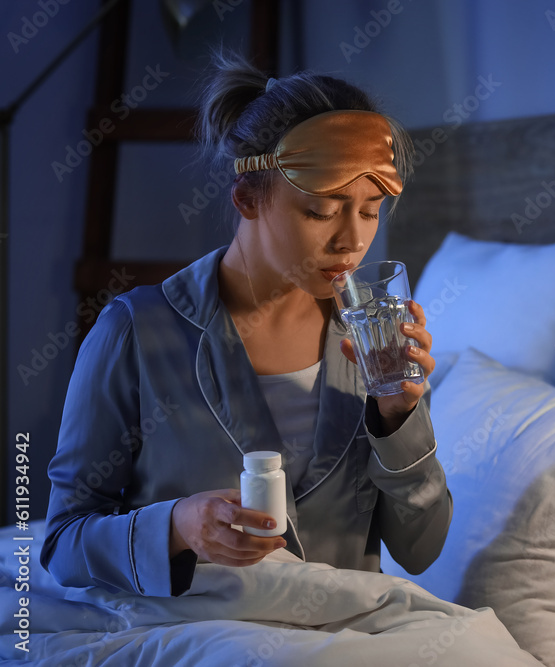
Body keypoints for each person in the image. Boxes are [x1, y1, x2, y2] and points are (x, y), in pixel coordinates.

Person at [41, 51, 451, 597]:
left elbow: (421, 551)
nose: (351, 241)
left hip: (339, 633)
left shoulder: (375, 341)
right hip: (199, 632)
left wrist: (399, 416)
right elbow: (61, 544)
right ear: (246, 199)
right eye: (321, 212)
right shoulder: (134, 332)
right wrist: (177, 527)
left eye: (371, 210)